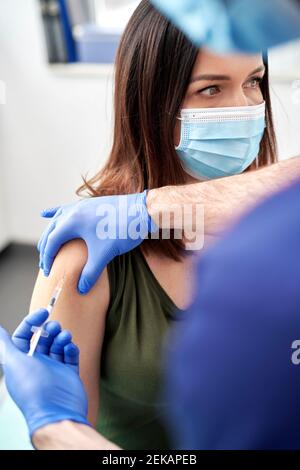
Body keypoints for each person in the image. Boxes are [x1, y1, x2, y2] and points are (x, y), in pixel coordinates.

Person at [30, 0, 279, 450]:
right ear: (150, 100)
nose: (244, 107)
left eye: (254, 82)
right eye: (210, 89)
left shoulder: (279, 227)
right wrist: (53, 426)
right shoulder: (87, 251)